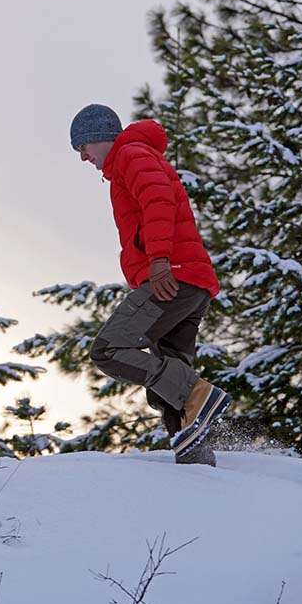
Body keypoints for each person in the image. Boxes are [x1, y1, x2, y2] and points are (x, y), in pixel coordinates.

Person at [70, 103, 230, 465]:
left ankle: (198, 393)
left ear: (100, 136)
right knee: (168, 379)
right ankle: (193, 458)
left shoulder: (130, 153)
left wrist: (158, 261)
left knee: (109, 350)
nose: (83, 157)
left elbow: (159, 202)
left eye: (84, 146)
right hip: (187, 282)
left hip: (173, 276)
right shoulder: (130, 159)